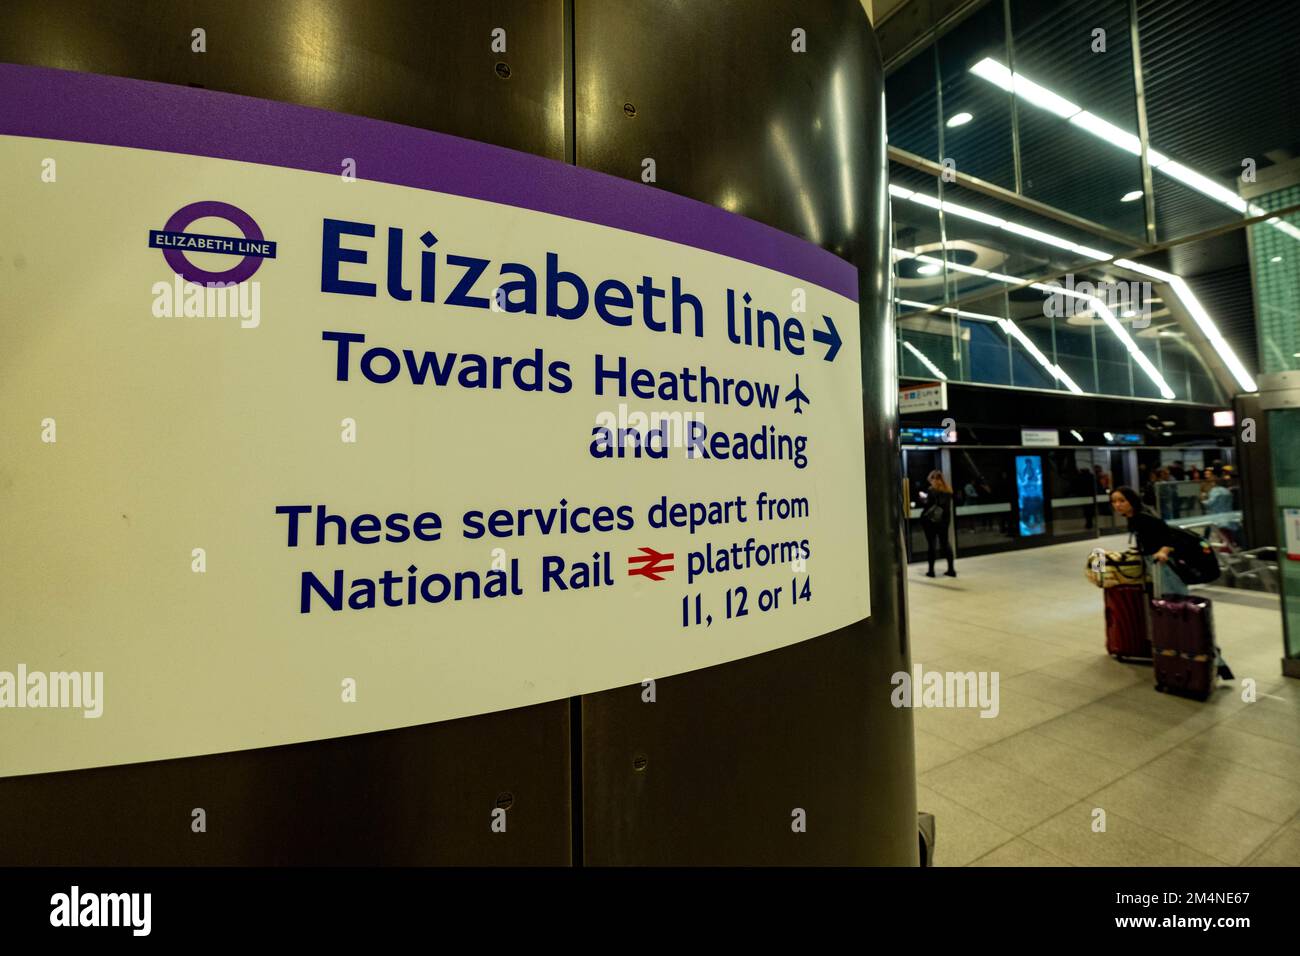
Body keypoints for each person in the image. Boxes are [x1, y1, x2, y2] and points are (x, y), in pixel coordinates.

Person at [1110, 485, 1232, 679]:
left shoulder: (1143, 518)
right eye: (1114, 501)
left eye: (1122, 500)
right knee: (1176, 611)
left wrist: (1163, 551)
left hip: (1165, 569)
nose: (1118, 505)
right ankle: (1200, 657)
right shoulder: (1135, 518)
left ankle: (1215, 659)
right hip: (1157, 567)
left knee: (1181, 610)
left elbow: (1168, 537)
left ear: (1132, 501)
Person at [917, 470, 957, 578]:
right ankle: (951, 570)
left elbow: (928, 506)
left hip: (931, 522)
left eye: (931, 480)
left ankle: (931, 571)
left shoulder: (931, 490)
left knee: (931, 545)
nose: (930, 482)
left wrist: (922, 498)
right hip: (944, 522)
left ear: (934, 479)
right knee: (945, 544)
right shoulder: (948, 490)